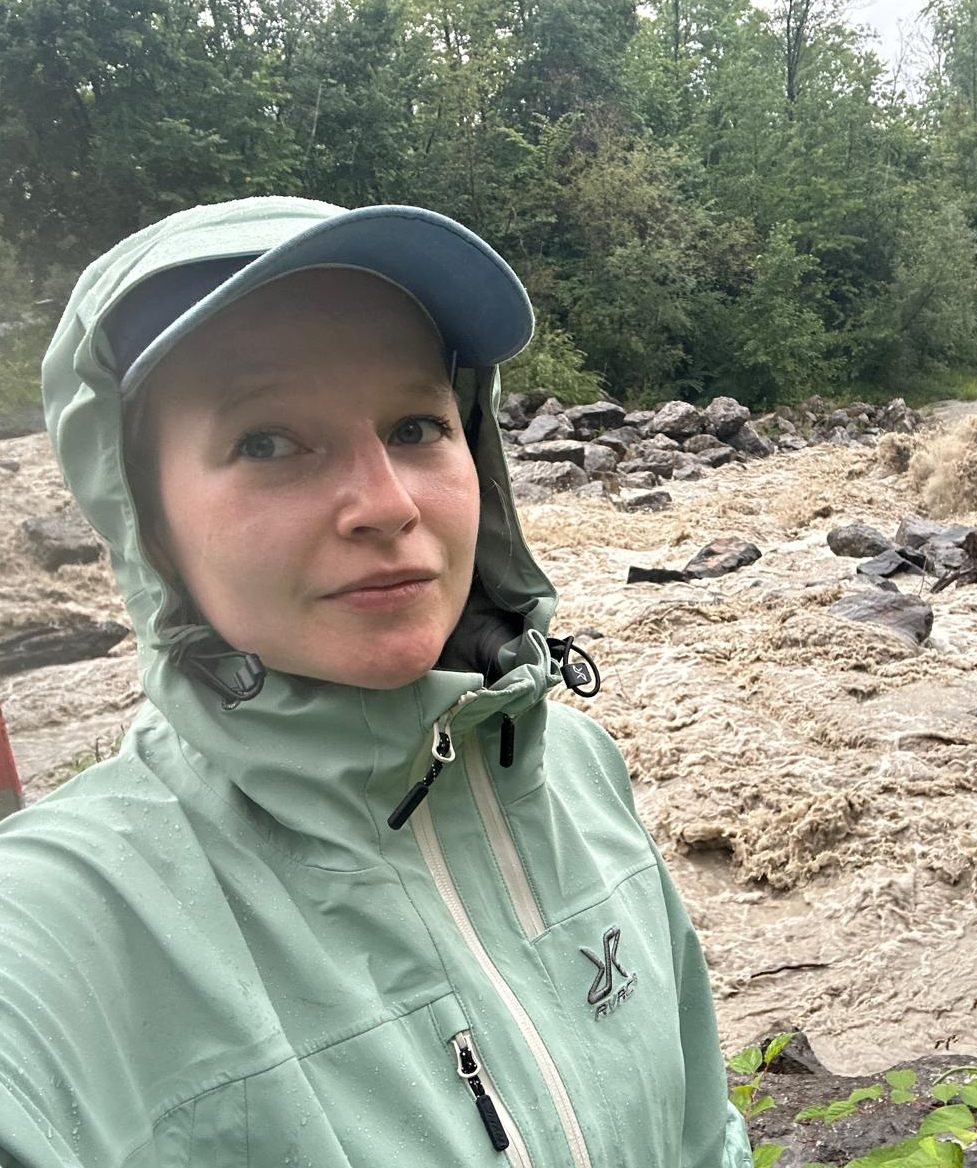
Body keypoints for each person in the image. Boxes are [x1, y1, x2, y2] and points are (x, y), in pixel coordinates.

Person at [0, 196, 753, 1167]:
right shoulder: (62, 926)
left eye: (412, 425)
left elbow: (705, 1138)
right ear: (146, 523)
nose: (386, 504)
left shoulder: (576, 772)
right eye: (267, 440)